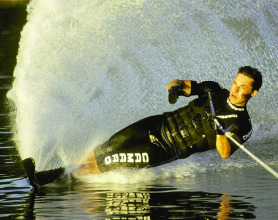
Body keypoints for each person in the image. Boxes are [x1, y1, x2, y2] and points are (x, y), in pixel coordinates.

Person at [22, 66, 262, 189]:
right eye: (235, 83)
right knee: (103, 150)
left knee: (106, 162)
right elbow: (180, 83)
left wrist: (219, 128)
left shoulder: (242, 124)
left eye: (243, 87)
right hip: (156, 124)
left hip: (165, 149)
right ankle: (62, 173)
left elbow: (224, 152)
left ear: (253, 92)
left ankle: (47, 179)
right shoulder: (213, 90)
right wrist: (175, 88)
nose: (236, 89)